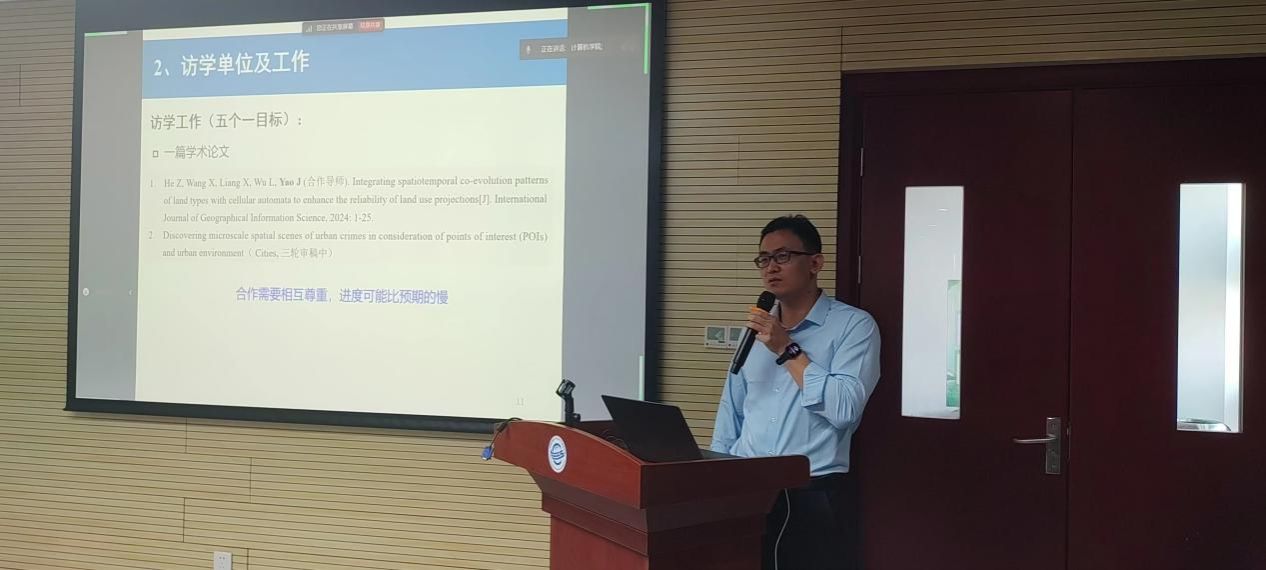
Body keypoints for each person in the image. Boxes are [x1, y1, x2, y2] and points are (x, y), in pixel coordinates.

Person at [711, 214, 881, 570]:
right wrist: (716, 478)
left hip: (812, 493)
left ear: (815, 263)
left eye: (783, 256)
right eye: (764, 259)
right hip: (747, 488)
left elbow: (845, 410)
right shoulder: (755, 330)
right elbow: (732, 410)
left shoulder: (853, 325)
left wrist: (787, 349)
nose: (771, 268)